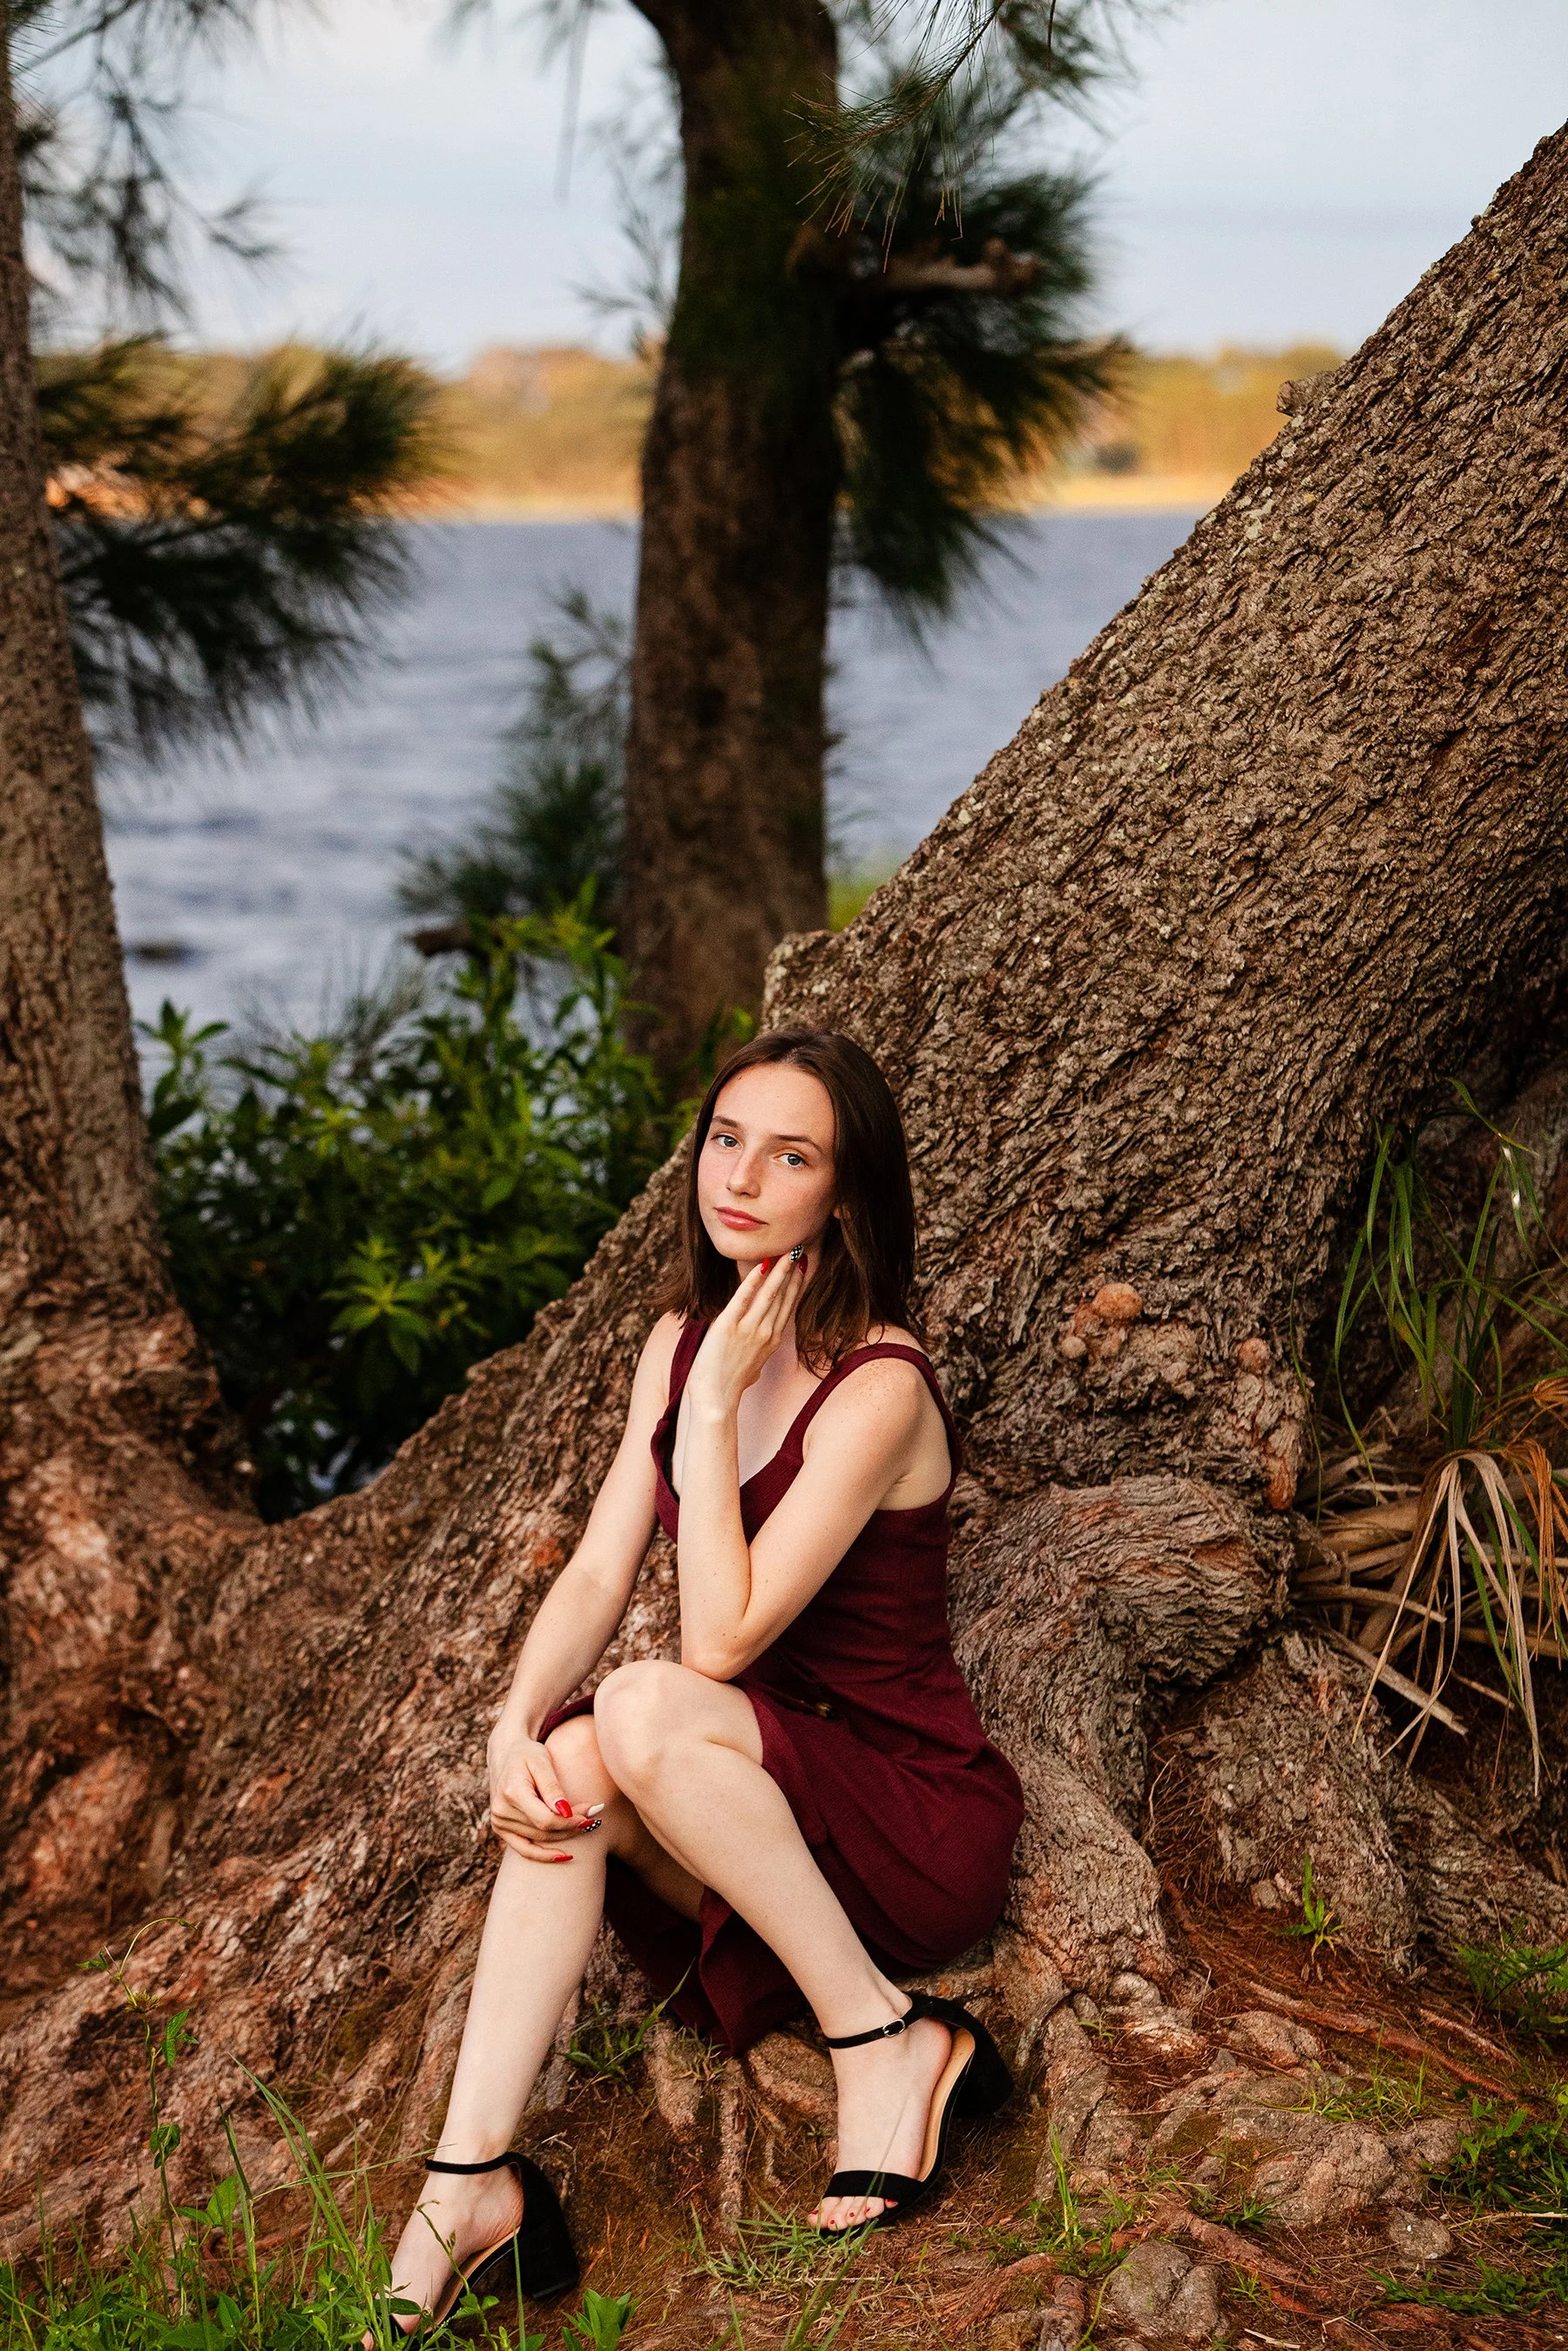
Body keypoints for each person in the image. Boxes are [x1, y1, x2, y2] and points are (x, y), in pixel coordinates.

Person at [381, 1029, 1024, 2334]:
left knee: (639, 1705)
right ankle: (469, 2187)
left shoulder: (878, 1383)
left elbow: (717, 1642)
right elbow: (601, 1568)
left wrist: (721, 1407)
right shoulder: (679, 1339)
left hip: (905, 1819)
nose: (741, 1176)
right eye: (726, 1138)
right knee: (564, 1762)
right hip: (744, 1816)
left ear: (841, 1194)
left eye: (791, 1154)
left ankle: (887, 2039)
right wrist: (508, 1724)